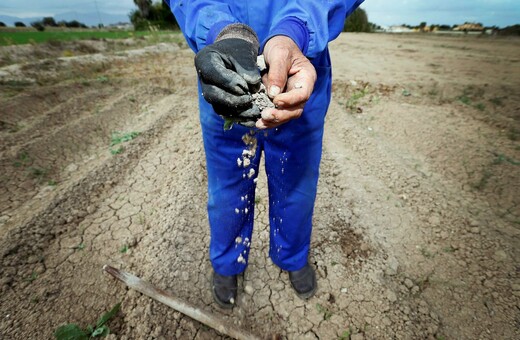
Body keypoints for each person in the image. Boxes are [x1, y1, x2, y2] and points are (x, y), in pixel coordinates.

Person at [166, 0, 364, 308]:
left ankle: (292, 255)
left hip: (301, 64)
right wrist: (225, 31)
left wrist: (294, 29)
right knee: (226, 187)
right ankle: (227, 263)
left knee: (296, 184)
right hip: (225, 70)